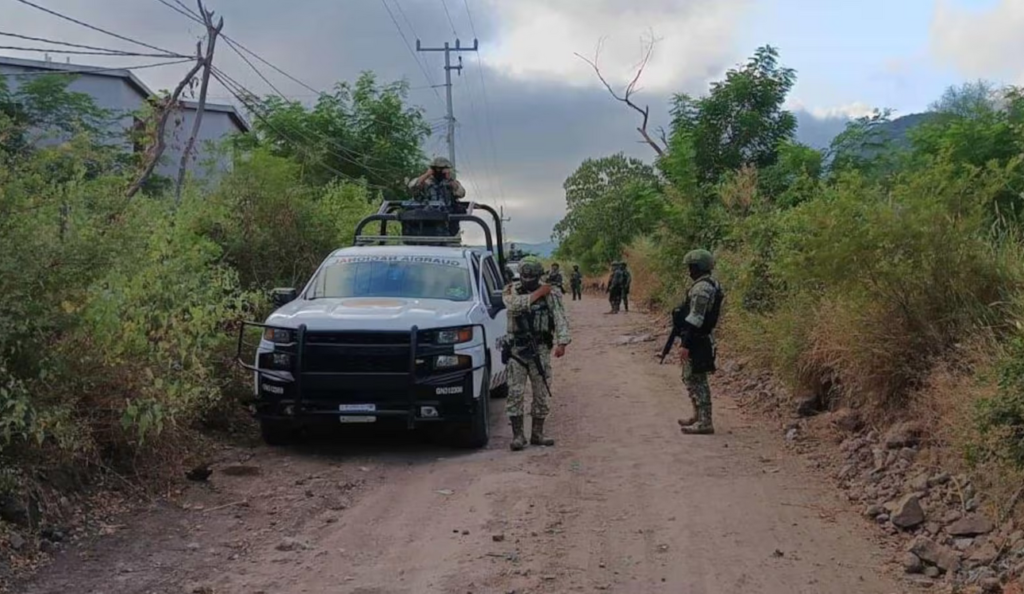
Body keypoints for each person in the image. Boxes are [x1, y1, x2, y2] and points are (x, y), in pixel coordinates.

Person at [502, 257, 571, 451]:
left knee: (541, 392)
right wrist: (539, 292)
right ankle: (518, 436)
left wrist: (562, 341)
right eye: (525, 276)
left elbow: (559, 316)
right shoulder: (510, 290)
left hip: (540, 348)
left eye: (532, 276)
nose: (528, 279)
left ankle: (537, 434)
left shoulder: (551, 293)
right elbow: (514, 305)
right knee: (515, 392)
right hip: (517, 350)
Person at [661, 249, 724, 435]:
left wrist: (685, 344)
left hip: (698, 339)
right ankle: (698, 415)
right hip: (700, 337)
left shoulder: (701, 288)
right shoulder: (708, 284)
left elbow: (696, 318)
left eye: (691, 268)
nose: (689, 272)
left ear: (698, 267)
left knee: (697, 380)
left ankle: (705, 422)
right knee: (690, 377)